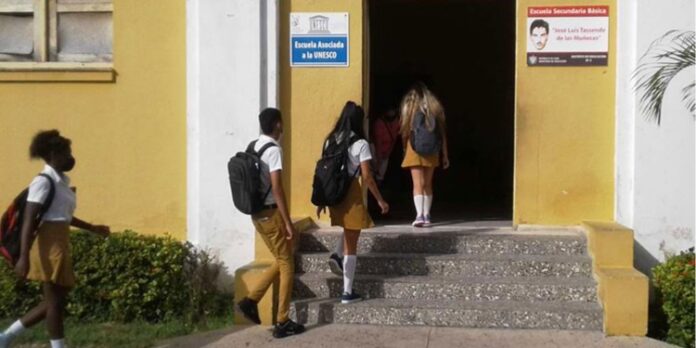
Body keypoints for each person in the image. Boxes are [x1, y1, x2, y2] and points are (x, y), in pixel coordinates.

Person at [0, 130, 110, 348]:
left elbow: (62, 216)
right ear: (52, 154)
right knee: (55, 302)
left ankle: (5, 337)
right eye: (66, 152)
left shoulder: (60, 182)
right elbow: (30, 219)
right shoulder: (43, 181)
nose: (70, 157)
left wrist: (91, 227)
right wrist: (23, 256)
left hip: (59, 241)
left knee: (55, 300)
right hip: (48, 245)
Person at [235, 108, 305, 339]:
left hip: (256, 214)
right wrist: (288, 222)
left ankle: (250, 300)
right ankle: (283, 320)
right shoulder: (273, 150)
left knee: (282, 258)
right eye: (282, 122)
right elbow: (277, 188)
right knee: (287, 264)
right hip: (270, 214)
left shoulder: (253, 146)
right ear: (277, 124)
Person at [318, 101, 389, 304]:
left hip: (334, 196)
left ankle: (337, 255)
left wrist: (322, 200)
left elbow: (324, 171)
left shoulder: (330, 140)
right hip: (351, 195)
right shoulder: (361, 144)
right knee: (353, 243)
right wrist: (380, 200)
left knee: (349, 231)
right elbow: (367, 177)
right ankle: (347, 292)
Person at [400, 83, 449, 227]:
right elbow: (442, 135)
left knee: (417, 184)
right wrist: (445, 155)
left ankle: (419, 215)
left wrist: (404, 150)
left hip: (414, 149)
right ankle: (427, 215)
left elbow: (404, 132)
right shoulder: (434, 111)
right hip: (433, 150)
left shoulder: (410, 110)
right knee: (427, 183)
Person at [370, 107, 400, 183]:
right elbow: (378, 142)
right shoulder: (379, 123)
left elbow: (394, 139)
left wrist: (388, 153)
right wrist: (379, 159)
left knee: (379, 174)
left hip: (386, 151)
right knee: (375, 171)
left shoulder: (396, 122)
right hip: (376, 151)